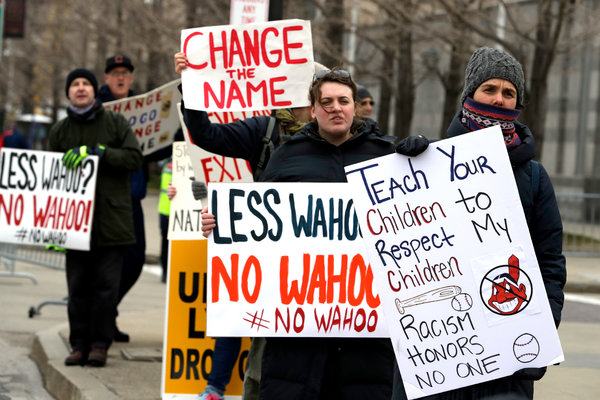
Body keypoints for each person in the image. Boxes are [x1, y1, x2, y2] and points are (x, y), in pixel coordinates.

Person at [199, 69, 399, 399]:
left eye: (343, 101)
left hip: (367, 336)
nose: (336, 108)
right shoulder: (287, 156)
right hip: (298, 337)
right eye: (327, 101)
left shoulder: (385, 155)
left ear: (354, 107)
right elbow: (256, 226)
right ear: (313, 107)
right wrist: (221, 225)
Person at [393, 46, 566, 400]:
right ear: (469, 94)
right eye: (489, 89)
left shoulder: (534, 177)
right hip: (437, 353)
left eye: (509, 92)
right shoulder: (425, 165)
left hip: (507, 354)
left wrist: (542, 331)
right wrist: (401, 171)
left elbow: (550, 262)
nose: (499, 100)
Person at [174, 52, 331, 400]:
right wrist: (192, 86)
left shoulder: (341, 134)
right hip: (269, 253)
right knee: (257, 337)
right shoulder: (265, 129)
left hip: (322, 259)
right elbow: (205, 134)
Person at [49, 68, 143, 367]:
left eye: (85, 84)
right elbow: (48, 178)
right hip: (74, 225)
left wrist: (103, 152)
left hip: (110, 222)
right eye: (74, 84)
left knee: (105, 288)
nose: (80, 88)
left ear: (93, 90)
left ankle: (100, 345)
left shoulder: (115, 123)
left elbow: (134, 158)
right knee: (77, 289)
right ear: (68, 92)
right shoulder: (60, 131)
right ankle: (79, 345)